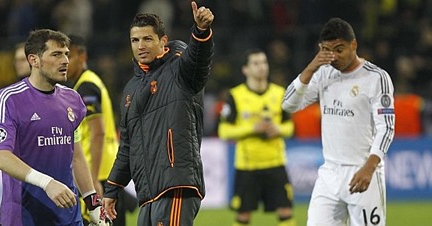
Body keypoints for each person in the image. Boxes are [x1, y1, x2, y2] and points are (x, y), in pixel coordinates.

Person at [102, 1, 214, 226]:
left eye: (147, 39)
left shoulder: (180, 69)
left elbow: (198, 59)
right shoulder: (131, 90)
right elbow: (127, 146)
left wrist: (201, 31)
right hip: (148, 192)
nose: (140, 46)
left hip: (176, 184)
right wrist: (112, 188)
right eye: (135, 40)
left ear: (163, 41)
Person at [282, 18, 395, 226]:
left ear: (354, 45)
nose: (333, 56)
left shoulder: (377, 78)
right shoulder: (324, 73)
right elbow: (288, 105)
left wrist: (369, 168)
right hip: (329, 174)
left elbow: (386, 127)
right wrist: (311, 67)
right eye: (327, 50)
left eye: (339, 49)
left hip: (362, 171)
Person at [0, 29, 108, 226]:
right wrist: (47, 183)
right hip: (23, 217)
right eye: (56, 54)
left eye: (66, 54)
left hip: (68, 217)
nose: (65, 61)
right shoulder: (9, 99)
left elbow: (76, 156)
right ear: (34, 60)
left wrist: (93, 203)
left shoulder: (73, 99)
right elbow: (1, 157)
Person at [218, 49, 296, 226]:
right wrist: (251, 128)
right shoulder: (235, 96)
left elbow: (290, 127)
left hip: (275, 163)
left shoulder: (279, 93)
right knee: (243, 215)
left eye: (264, 62)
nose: (261, 67)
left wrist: (278, 129)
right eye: (256, 63)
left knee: (285, 211)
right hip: (247, 166)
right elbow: (223, 131)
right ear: (245, 69)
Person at [66, 34, 136, 226]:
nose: (65, 61)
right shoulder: (89, 82)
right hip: (106, 167)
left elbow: (98, 131)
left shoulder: (86, 86)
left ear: (82, 57)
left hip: (99, 171)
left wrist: (93, 180)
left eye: (68, 56)